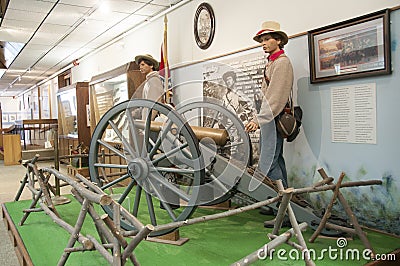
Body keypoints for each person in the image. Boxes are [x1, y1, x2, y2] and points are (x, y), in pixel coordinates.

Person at [245, 21, 294, 189]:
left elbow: (275, 98)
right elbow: (264, 97)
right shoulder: (272, 63)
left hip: (273, 118)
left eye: (267, 39)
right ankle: (285, 200)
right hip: (269, 118)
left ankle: (282, 203)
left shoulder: (281, 63)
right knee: (276, 160)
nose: (263, 44)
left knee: (270, 161)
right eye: (262, 41)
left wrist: (258, 120)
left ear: (278, 40)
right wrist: (256, 117)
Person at [134, 54, 165, 120]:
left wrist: (146, 123)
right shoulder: (149, 81)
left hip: (153, 120)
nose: (140, 67)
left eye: (143, 65)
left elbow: (153, 103)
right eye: (140, 65)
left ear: (151, 65)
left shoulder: (154, 80)